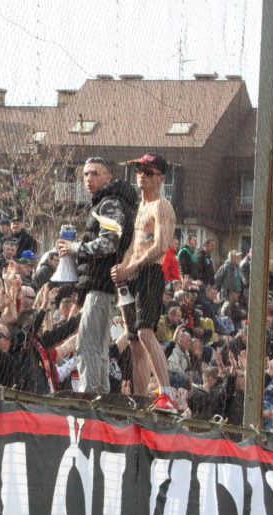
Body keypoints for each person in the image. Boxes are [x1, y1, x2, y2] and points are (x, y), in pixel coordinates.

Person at [56, 156, 137, 394]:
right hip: (100, 284)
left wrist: (75, 248)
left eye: (95, 173)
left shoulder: (109, 203)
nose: (88, 178)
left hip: (101, 285)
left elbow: (109, 243)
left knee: (88, 343)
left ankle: (91, 394)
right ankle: (100, 394)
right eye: (85, 174)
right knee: (98, 345)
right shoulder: (105, 202)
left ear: (108, 177)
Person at [112, 153, 178, 412]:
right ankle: (140, 398)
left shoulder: (162, 205)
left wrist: (132, 267)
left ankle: (166, 393)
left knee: (145, 331)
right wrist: (122, 268)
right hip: (133, 273)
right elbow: (134, 245)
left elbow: (161, 245)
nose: (141, 175)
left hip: (150, 271)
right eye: (139, 170)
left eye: (148, 172)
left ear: (161, 178)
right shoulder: (140, 207)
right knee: (133, 340)